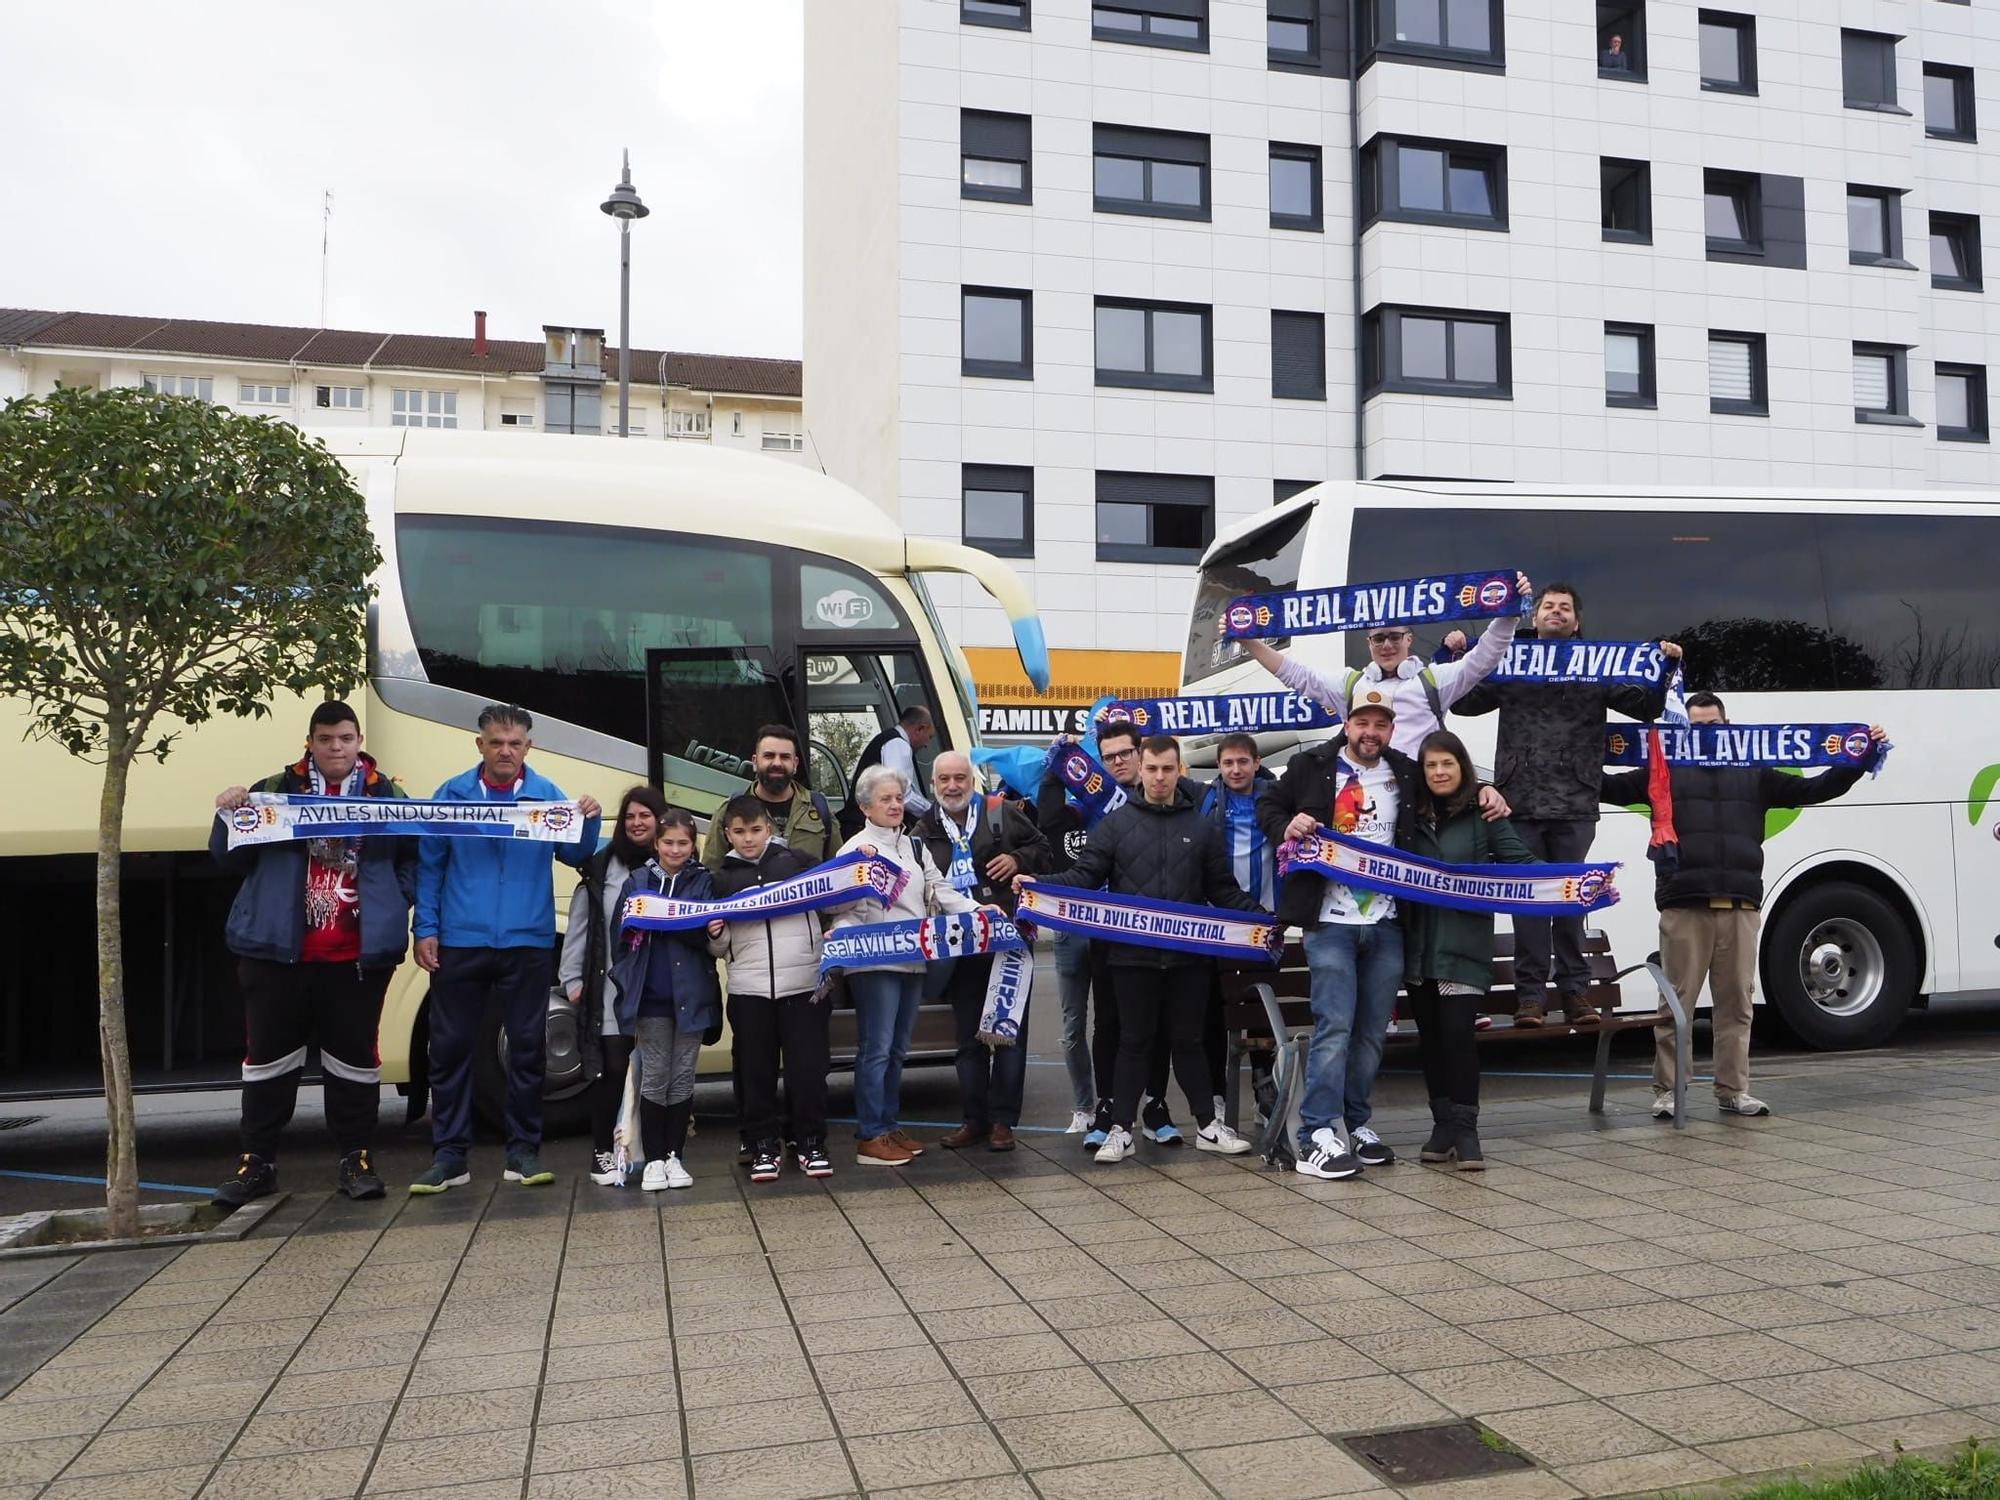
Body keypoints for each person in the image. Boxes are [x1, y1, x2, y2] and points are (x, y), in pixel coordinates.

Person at [1602, 695, 1887, 1121]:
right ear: (1683, 731)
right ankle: (1668, 1092)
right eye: (1696, 727)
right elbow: (1608, 786)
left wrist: (1858, 759)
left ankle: (1733, 1091)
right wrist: (1569, 751)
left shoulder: (1755, 771)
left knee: (1737, 1003)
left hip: (1740, 905)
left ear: (1728, 725)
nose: (1705, 733)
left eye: (1713, 724)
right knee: (1676, 1005)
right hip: (1685, 903)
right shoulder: (1663, 771)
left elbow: (1812, 789)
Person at [209, 701, 417, 1205]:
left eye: (345, 738)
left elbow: (413, 859)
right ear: (310, 743)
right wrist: (226, 812)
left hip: (355, 957)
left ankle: (356, 1160)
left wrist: (392, 901)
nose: (336, 748)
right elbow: (227, 857)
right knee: (268, 1063)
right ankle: (256, 1162)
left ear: (359, 739)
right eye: (325, 739)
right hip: (277, 954)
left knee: (355, 1063)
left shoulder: (386, 795)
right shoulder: (274, 792)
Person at [1022, 735, 1262, 1165]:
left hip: (1189, 959)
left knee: (1188, 1041)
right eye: (1152, 769)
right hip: (1131, 959)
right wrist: (1041, 884)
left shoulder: (1201, 829)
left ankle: (1208, 1126)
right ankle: (1120, 1130)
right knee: (1133, 1042)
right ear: (1142, 769)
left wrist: (1264, 918)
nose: (1159, 777)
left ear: (1179, 771)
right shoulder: (1115, 825)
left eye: (1168, 769)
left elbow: (1224, 891)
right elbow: (1084, 876)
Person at [1452, 583, 1679, 1028]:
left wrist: (1667, 665)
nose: (1556, 612)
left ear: (1576, 621)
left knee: (1573, 902)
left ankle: (1576, 993)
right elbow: (1463, 703)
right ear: (1533, 619)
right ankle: (1531, 999)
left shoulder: (1597, 666)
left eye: (1565, 608)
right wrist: (1450, 656)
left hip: (1575, 802)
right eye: (1548, 607)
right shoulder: (1508, 660)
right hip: (1519, 803)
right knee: (1530, 903)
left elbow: (1646, 706)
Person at [409, 704, 601, 1194]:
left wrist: (589, 821)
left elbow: (576, 854)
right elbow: (430, 868)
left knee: (527, 1051)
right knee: (449, 1050)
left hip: (528, 941)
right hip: (460, 940)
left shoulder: (546, 795)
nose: (505, 751)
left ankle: (523, 1152)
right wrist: (425, 929)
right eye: (496, 742)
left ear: (528, 747)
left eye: (515, 743)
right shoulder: (451, 796)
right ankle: (450, 1157)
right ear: (480, 745)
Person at [1259, 680, 1420, 1180]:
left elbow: (1452, 791)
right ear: (1347, 724)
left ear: (1391, 730)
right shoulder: (1311, 766)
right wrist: (1285, 826)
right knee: (1335, 1027)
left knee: (1373, 1031)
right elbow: (1269, 807)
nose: (1370, 732)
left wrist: (1486, 792)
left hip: (1387, 921)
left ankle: (1356, 1122)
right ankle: (1316, 1134)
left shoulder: (1406, 773)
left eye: (1380, 724)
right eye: (1362, 723)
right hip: (1329, 921)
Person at [831, 763, 993, 1166]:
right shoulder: (853, 851)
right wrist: (842, 931)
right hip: (874, 962)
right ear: (865, 807)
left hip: (914, 958)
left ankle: (888, 1125)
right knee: (877, 1048)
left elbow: (940, 890)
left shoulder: (914, 847)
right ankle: (870, 1133)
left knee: (899, 1049)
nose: (895, 805)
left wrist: (977, 910)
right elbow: (838, 906)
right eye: (885, 799)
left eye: (899, 798)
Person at [1402, 730, 1535, 1171]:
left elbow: (1519, 863)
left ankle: (1467, 1129)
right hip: (1419, 949)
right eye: (1431, 765)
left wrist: (1575, 883)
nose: (1439, 772)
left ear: (1462, 768)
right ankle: (1442, 1125)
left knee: (1458, 1037)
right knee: (1432, 1040)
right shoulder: (1408, 816)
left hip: (1464, 946)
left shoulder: (1485, 812)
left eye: (1448, 764)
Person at [1036, 720, 1168, 1146]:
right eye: (1108, 757)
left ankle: (1156, 1105)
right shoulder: (1093, 805)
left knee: (1154, 1021)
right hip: (1095, 927)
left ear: (1139, 753)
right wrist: (1058, 763)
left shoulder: (1163, 795)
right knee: (1104, 1023)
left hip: (1151, 927)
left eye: (1124, 754)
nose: (1118, 763)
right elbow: (1052, 821)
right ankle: (1102, 1105)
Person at [1242, 571, 1530, 763]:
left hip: (1417, 802)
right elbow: (1296, 675)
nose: (1387, 645)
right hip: (1365, 802)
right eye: (1378, 638)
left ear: (1409, 639)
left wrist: (1509, 613)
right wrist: (1249, 641)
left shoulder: (1434, 681)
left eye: (1394, 637)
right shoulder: (1352, 685)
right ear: (1369, 643)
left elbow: (1484, 658)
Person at [917, 751, 1053, 1153]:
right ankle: (973, 1120)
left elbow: (1044, 849)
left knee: (1008, 1035)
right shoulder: (922, 829)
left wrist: (1017, 858)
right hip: (958, 945)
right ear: (934, 785)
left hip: (1008, 937)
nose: (953, 786)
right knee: (967, 1040)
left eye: (960, 778)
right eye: (945, 780)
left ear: (971, 781)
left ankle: (1003, 1122)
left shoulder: (1000, 812)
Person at [708, 795, 834, 1182]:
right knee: (756, 1072)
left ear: (770, 829)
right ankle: (763, 1145)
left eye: (756, 830)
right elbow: (718, 947)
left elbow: (834, 898)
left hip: (804, 986)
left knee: (808, 1070)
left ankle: (810, 1141)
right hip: (749, 990)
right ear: (727, 833)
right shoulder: (720, 880)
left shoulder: (798, 864)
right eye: (740, 832)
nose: (748, 839)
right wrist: (717, 935)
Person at [558, 785, 666, 1187]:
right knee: (613, 1070)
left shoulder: (671, 863)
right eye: (630, 816)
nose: (637, 823)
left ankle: (653, 1155)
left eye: (645, 816)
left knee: (656, 1072)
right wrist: (571, 978)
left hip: (658, 988)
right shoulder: (602, 867)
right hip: (611, 989)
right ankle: (603, 1152)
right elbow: (581, 926)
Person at [607, 810, 720, 1189]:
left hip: (692, 997)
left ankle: (675, 1157)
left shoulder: (704, 882)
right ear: (656, 843)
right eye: (668, 842)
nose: (675, 849)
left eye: (683, 843)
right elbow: (619, 938)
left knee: (683, 1077)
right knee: (654, 1077)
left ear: (694, 846)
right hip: (651, 997)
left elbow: (704, 934)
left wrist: (678, 923)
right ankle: (653, 1159)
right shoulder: (637, 881)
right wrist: (627, 980)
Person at [1200, 734, 1276, 1123]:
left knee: (1262, 1013)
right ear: (1218, 766)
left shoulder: (1276, 799)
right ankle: (1217, 1096)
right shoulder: (1207, 801)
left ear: (1257, 762)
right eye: (1228, 763)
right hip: (1221, 923)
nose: (1235, 769)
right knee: (1216, 1014)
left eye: (1242, 762)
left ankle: (1266, 1095)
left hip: (1265, 922)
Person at [701, 723, 835, 870]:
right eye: (769, 756)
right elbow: (710, 875)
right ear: (755, 762)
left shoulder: (819, 807)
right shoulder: (729, 810)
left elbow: (838, 869)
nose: (777, 763)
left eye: (785, 757)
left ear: (795, 764)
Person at [839, 705, 937, 836]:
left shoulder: (887, 739)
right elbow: (905, 796)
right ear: (920, 729)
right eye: (929, 737)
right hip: (864, 828)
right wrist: (933, 812)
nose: (926, 745)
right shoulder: (898, 744)